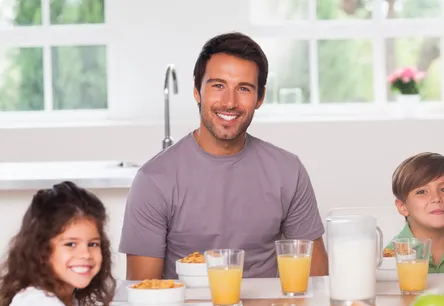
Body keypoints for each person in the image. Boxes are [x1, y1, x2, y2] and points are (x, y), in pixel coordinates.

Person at [119, 32, 328, 280]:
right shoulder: (153, 180)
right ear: (197, 91)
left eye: (244, 88)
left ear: (260, 98)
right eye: (218, 85)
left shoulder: (288, 171)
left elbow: (317, 281)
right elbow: (144, 292)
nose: (230, 102)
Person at [0, 181, 116, 306]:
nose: (85, 254)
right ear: (41, 250)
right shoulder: (39, 305)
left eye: (92, 244)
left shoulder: (68, 299)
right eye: (71, 244)